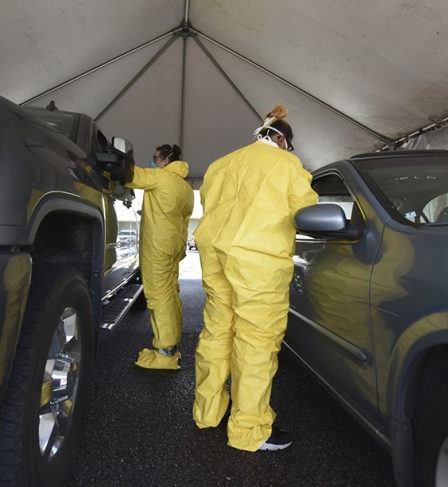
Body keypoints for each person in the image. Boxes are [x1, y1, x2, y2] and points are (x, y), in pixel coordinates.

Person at [192, 106, 318, 450]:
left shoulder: (220, 165)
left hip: (215, 255)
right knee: (256, 343)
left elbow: (210, 207)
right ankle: (249, 429)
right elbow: (305, 211)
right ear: (281, 139)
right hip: (259, 263)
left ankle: (208, 412)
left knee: (217, 332)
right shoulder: (288, 164)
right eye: (288, 144)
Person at [125, 144, 194, 369]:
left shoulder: (160, 178)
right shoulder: (184, 188)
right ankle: (171, 347)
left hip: (157, 246)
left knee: (158, 298)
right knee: (171, 295)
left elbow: (128, 174)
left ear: (166, 160)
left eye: (156, 158)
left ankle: (164, 353)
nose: (153, 162)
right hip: (174, 246)